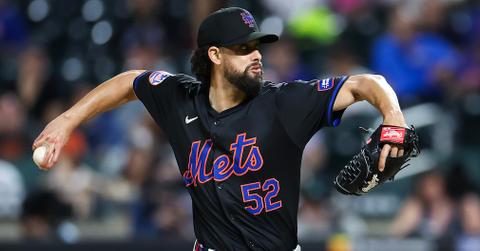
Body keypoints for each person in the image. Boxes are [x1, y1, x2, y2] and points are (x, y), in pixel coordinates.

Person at [33, 7, 409, 251]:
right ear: (215, 55)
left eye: (257, 46)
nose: (257, 54)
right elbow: (130, 82)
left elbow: (367, 83)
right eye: (243, 48)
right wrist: (67, 119)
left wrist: (394, 117)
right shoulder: (180, 99)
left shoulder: (285, 103)